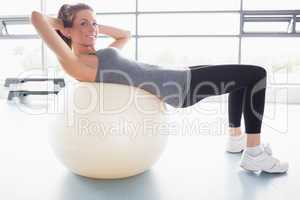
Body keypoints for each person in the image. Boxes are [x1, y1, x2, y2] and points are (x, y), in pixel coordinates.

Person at [30, 3, 288, 173]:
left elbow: (124, 35)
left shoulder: (98, 55)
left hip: (180, 74)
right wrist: (64, 24)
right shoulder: (77, 64)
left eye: (94, 22)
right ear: (66, 30)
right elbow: (36, 17)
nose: (92, 29)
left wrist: (90, 26)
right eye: (83, 23)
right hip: (180, 88)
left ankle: (236, 140)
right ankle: (254, 152)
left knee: (242, 77)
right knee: (256, 75)